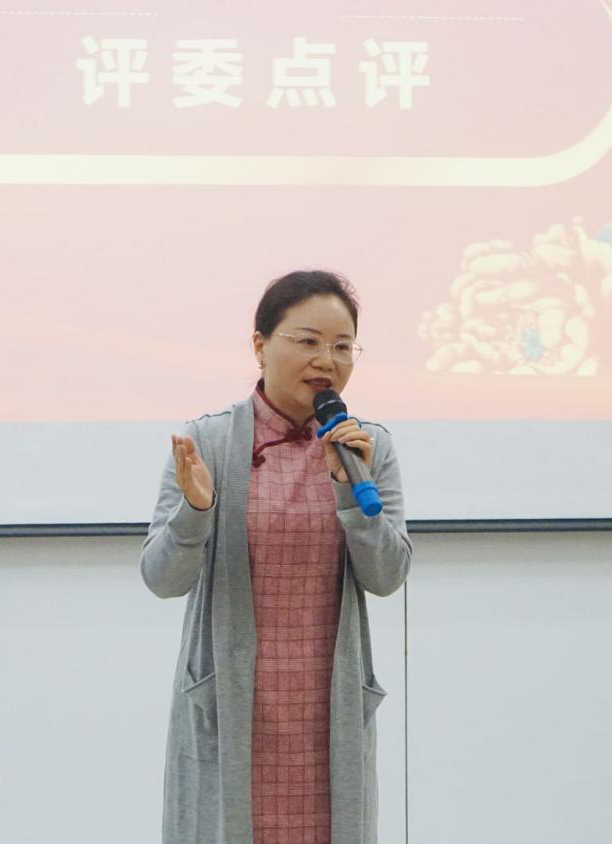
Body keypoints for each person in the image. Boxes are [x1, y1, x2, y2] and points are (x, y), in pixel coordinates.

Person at [140, 270, 412, 844]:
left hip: (328, 712)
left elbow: (387, 576)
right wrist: (195, 510)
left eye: (342, 347)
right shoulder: (207, 443)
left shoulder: (368, 447)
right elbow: (162, 578)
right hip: (231, 708)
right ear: (260, 345)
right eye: (308, 341)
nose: (326, 360)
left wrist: (350, 492)